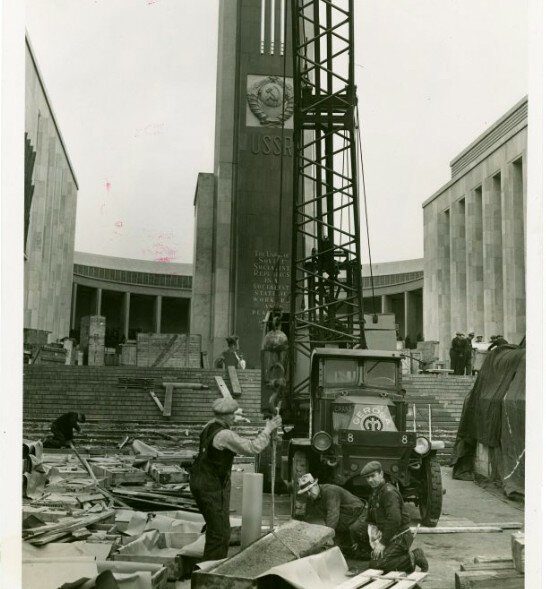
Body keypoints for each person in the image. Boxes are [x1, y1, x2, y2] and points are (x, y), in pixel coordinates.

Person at [189, 397, 281, 561]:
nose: (234, 417)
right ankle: (210, 575)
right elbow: (253, 448)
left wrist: (236, 419)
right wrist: (268, 429)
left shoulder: (209, 426)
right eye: (232, 415)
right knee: (220, 534)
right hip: (211, 486)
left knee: (215, 529)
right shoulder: (225, 435)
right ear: (224, 416)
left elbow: (225, 428)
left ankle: (208, 568)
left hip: (200, 481)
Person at [361, 461, 428, 574]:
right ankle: (402, 559)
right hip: (389, 535)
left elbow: (394, 520)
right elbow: (371, 516)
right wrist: (372, 533)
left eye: (373, 476)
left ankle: (413, 557)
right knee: (374, 561)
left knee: (376, 565)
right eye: (367, 477)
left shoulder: (389, 492)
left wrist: (382, 543)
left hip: (400, 536)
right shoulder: (375, 492)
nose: (370, 480)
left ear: (381, 474)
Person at [297, 473, 369, 556]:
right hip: (346, 518)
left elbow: (333, 515)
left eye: (310, 490)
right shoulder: (315, 498)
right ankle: (350, 546)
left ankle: (367, 552)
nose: (309, 494)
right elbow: (321, 517)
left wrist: (327, 535)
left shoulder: (330, 491)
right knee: (336, 549)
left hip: (361, 514)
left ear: (316, 485)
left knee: (355, 529)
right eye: (306, 492)